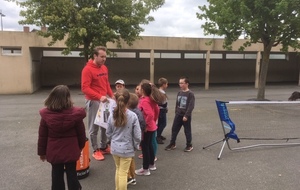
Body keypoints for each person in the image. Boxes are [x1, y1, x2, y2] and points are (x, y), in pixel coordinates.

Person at [37, 85, 86, 190]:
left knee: (56, 174)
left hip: (54, 150)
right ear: (68, 97)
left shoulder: (46, 115)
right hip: (71, 149)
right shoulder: (76, 114)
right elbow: (81, 134)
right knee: (72, 173)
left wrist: (42, 152)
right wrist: (80, 146)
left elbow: (42, 136)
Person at [81, 46, 114, 161]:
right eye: (102, 57)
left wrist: (112, 95)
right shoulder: (87, 69)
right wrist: (99, 96)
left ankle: (104, 146)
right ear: (95, 56)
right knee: (94, 127)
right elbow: (85, 88)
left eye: (105, 57)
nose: (104, 59)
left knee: (105, 124)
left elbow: (106, 84)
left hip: (104, 101)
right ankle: (96, 150)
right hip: (94, 101)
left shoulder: (104, 68)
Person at [106, 89, 141, 190]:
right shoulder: (133, 116)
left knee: (118, 169)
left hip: (115, 148)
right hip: (127, 148)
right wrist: (135, 145)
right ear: (128, 101)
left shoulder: (112, 115)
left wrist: (112, 141)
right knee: (123, 173)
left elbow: (108, 132)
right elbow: (137, 135)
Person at [135, 80, 165, 176]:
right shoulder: (151, 99)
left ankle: (145, 168)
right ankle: (151, 165)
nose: (138, 90)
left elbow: (150, 114)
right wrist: (153, 122)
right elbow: (156, 111)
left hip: (147, 128)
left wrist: (146, 125)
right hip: (152, 126)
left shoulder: (145, 101)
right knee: (149, 146)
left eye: (139, 88)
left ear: (143, 90)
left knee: (145, 147)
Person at [165, 76, 195, 152]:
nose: (180, 84)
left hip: (185, 116)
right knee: (174, 129)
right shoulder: (179, 92)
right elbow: (177, 103)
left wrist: (186, 115)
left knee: (187, 130)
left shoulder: (190, 94)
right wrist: (176, 111)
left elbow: (191, 106)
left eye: (182, 83)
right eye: (179, 83)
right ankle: (172, 143)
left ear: (187, 84)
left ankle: (189, 145)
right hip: (178, 114)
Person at [127, 93, 146, 185]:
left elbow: (141, 124)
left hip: (130, 140)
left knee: (126, 162)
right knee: (130, 159)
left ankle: (129, 177)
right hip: (132, 140)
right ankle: (132, 177)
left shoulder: (132, 113)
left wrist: (136, 142)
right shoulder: (137, 112)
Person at [156, 77, 169, 144]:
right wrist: (165, 107)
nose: (167, 85)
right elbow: (162, 103)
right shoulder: (161, 93)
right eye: (166, 84)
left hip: (162, 109)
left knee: (160, 123)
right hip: (161, 110)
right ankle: (157, 136)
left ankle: (159, 134)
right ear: (163, 84)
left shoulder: (160, 92)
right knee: (163, 124)